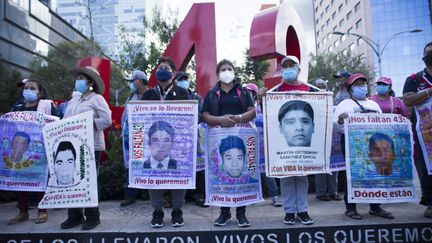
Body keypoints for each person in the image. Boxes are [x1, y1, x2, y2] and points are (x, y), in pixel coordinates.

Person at [202, 59, 256, 227]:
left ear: (234, 72)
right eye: (223, 69)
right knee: (222, 175)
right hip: (219, 138)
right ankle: (224, 213)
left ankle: (241, 213)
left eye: (229, 68)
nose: (226, 71)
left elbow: (252, 111)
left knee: (241, 174)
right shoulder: (212, 94)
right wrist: (220, 120)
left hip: (240, 136)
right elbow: (204, 115)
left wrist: (238, 118)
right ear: (218, 73)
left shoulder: (243, 91)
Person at [334, 73, 394, 220]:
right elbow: (336, 126)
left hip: (374, 145)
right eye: (357, 85)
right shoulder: (345, 105)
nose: (361, 87)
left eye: (363, 84)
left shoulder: (374, 105)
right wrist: (341, 121)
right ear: (350, 89)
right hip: (352, 144)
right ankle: (351, 208)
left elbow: (381, 125)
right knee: (353, 174)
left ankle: (375, 207)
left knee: (374, 173)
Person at [141, 56, 191, 228]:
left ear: (173, 73)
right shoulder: (149, 94)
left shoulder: (183, 93)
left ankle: (177, 210)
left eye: (166, 67)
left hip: (176, 144)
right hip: (154, 144)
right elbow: (140, 118)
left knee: (178, 174)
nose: (162, 70)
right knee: (154, 176)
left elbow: (193, 117)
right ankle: (157, 211)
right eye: (159, 67)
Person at [60, 66, 112, 230]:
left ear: (90, 82)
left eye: (81, 78)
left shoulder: (97, 99)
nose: (78, 81)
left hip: (91, 146)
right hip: (72, 145)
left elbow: (107, 120)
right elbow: (65, 120)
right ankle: (74, 216)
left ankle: (93, 216)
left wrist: (89, 123)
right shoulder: (73, 100)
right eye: (78, 78)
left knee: (89, 181)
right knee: (73, 180)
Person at [265, 55, 314, 225]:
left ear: (298, 69)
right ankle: (289, 212)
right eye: (285, 66)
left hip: (303, 140)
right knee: (286, 176)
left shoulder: (310, 89)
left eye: (291, 65)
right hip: (284, 140)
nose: (288, 69)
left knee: (302, 176)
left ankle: (303, 210)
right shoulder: (276, 91)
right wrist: (261, 97)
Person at [8, 79, 60, 225]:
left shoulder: (47, 105)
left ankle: (42, 210)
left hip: (40, 150)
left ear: (39, 92)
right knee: (20, 180)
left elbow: (57, 121)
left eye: (32, 88)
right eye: (26, 88)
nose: (28, 90)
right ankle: (23, 212)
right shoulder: (17, 107)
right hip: (20, 149)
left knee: (39, 180)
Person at [402, 41, 432, 218]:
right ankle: (430, 202)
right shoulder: (415, 79)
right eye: (428, 52)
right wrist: (429, 92)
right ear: (423, 57)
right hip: (425, 135)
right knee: (426, 168)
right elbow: (408, 100)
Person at [245, 83, 282, 207]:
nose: (248, 94)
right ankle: (253, 196)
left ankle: (275, 196)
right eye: (247, 92)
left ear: (255, 94)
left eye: (250, 92)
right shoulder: (244, 108)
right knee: (251, 172)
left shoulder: (263, 106)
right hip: (249, 145)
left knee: (267, 173)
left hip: (264, 146)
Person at [120, 70, 150, 207]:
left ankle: (152, 194)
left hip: (146, 137)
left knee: (149, 164)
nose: (131, 84)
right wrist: (123, 131)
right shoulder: (131, 97)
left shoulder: (151, 95)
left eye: (133, 81)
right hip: (129, 137)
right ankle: (130, 195)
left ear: (140, 81)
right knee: (129, 166)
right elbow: (125, 116)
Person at [311, 79, 342, 201]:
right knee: (320, 167)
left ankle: (333, 192)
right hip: (318, 140)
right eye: (318, 86)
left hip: (333, 141)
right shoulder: (311, 104)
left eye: (323, 86)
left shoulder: (332, 104)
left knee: (334, 168)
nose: (321, 88)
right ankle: (321, 193)